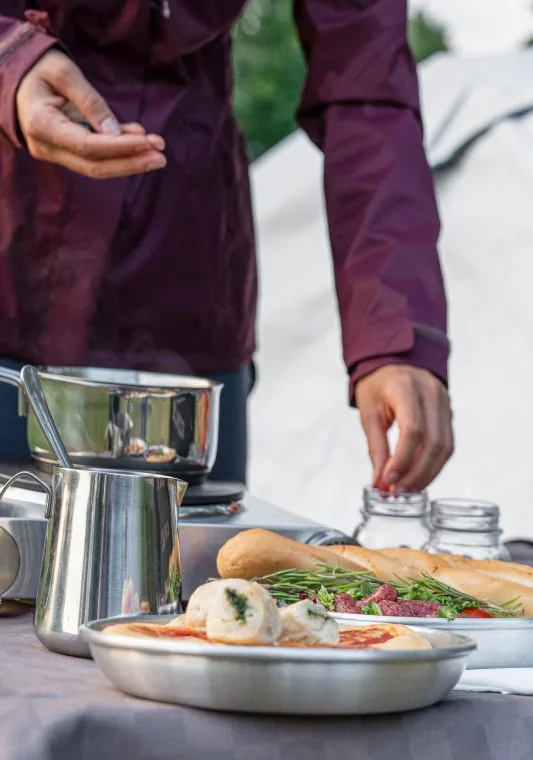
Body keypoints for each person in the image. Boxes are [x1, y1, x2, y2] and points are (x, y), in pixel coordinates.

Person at [0, 1, 453, 494]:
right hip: (10, 270)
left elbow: (367, 84)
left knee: (193, 566)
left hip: (188, 296)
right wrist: (11, 62)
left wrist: (395, 334)